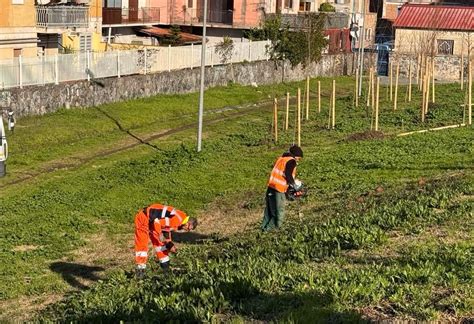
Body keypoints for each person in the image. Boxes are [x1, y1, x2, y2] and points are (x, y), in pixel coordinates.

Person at [134, 203, 197, 278]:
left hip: (152, 219)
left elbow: (166, 228)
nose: (186, 230)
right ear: (188, 224)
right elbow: (157, 222)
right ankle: (140, 272)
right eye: (188, 229)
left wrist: (169, 243)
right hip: (144, 218)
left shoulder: (181, 218)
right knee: (142, 244)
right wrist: (160, 234)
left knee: (160, 243)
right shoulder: (178, 220)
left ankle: (166, 268)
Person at [261, 145, 303, 232]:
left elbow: (282, 174)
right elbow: (287, 174)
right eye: (299, 158)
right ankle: (271, 231)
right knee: (279, 213)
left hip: (271, 187)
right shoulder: (292, 161)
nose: (299, 160)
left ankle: (262, 231)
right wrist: (294, 186)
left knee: (269, 212)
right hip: (278, 190)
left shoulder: (281, 159)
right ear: (296, 156)